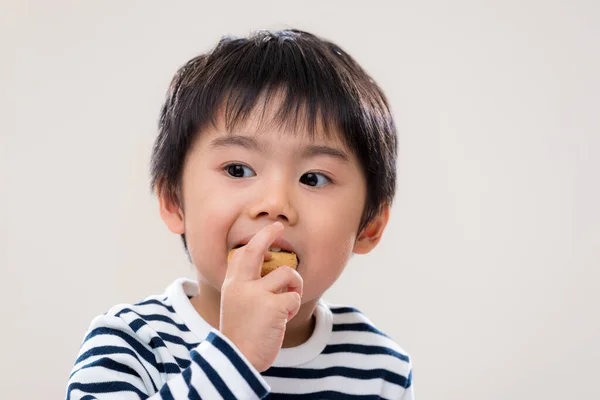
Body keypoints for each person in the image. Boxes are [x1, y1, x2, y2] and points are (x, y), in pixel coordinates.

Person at [66, 28, 414, 399]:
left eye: (313, 178)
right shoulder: (131, 344)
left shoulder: (379, 368)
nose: (275, 203)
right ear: (173, 201)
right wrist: (234, 357)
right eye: (237, 170)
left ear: (369, 227)